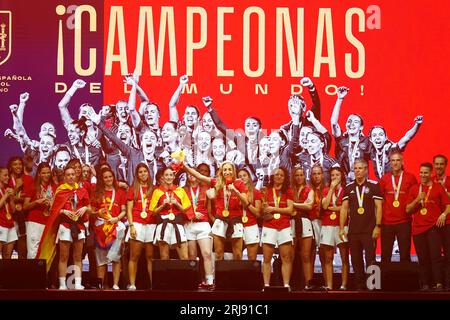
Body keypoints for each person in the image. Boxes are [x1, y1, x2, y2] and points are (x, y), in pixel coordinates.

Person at [184, 161, 248, 260]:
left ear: (234, 171)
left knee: (238, 254)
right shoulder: (217, 182)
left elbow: (245, 202)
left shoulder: (239, 183)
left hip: (235, 220)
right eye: (225, 170)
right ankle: (219, 275)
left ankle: (236, 275)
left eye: (230, 169)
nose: (227, 172)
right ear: (222, 172)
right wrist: (184, 166)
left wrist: (235, 191)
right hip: (220, 220)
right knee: (218, 253)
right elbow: (199, 176)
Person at [339, 158, 383, 290]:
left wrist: (378, 226)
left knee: (371, 259)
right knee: (356, 260)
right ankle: (360, 286)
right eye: (355, 169)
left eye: (360, 168)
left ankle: (373, 286)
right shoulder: (349, 187)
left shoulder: (374, 186)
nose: (357, 171)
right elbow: (344, 209)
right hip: (353, 231)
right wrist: (342, 228)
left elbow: (379, 207)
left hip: (369, 229)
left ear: (365, 170)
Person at [406, 162, 450, 291]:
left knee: (435, 257)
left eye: (426, 173)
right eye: (421, 172)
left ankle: (439, 283)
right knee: (423, 258)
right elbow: (407, 210)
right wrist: (417, 199)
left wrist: (443, 214)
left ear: (431, 174)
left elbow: (448, 205)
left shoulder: (438, 187)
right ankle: (425, 284)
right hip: (418, 228)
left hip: (433, 228)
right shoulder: (414, 189)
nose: (423, 175)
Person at [379, 151, 417, 262]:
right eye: (393, 160)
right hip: (387, 223)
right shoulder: (384, 179)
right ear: (390, 163)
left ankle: (405, 280)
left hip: (404, 222)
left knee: (405, 256)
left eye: (398, 160)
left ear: (402, 162)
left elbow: (416, 198)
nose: (395, 163)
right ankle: (384, 279)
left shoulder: (410, 178)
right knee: (385, 256)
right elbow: (379, 202)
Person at [92, 168, 127, 290]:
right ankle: (101, 285)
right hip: (101, 228)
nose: (108, 179)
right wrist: (98, 213)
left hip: (115, 227)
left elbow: (124, 210)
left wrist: (116, 219)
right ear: (102, 179)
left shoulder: (120, 192)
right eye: (105, 177)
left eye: (110, 176)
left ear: (114, 177)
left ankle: (115, 284)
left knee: (116, 257)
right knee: (101, 259)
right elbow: (92, 211)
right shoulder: (97, 192)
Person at [260, 167, 294, 289]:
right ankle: (266, 285)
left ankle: (286, 285)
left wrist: (273, 209)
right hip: (269, 226)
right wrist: (265, 208)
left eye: (282, 175)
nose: (279, 177)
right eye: (276, 174)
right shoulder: (266, 190)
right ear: (272, 176)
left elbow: (290, 210)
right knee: (267, 258)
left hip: (284, 226)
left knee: (286, 257)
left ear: (285, 178)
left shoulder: (288, 191)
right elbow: (263, 211)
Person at [150, 167, 194, 260]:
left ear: (174, 177)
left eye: (171, 175)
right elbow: (153, 212)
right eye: (166, 175)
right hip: (163, 224)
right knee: (164, 257)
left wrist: (177, 204)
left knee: (184, 257)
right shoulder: (157, 191)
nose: (169, 177)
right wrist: (162, 205)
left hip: (177, 223)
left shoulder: (180, 191)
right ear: (163, 177)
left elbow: (186, 211)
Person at [184, 164, 215, 289]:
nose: (192, 176)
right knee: (192, 256)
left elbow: (209, 209)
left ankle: (210, 281)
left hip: (203, 224)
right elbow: (180, 209)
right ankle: (194, 280)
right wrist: (191, 213)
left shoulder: (206, 188)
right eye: (189, 174)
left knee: (207, 254)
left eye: (194, 173)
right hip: (189, 224)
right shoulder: (182, 190)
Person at [125, 163, 156, 290]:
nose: (143, 174)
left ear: (148, 173)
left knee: (150, 257)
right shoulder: (133, 189)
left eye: (145, 171)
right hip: (137, 223)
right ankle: (132, 284)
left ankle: (153, 285)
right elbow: (129, 209)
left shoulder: (154, 189)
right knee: (134, 256)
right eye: (140, 172)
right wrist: (131, 225)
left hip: (151, 224)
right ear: (137, 175)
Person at [331, 87, 370, 182]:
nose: (351, 124)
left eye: (355, 122)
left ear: (361, 127)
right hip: (343, 182)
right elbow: (334, 122)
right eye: (349, 121)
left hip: (362, 183)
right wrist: (340, 99)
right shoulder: (341, 140)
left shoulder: (367, 141)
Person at [320, 167, 349, 290]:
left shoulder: (346, 190)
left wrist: (333, 208)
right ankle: (330, 285)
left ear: (341, 176)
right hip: (327, 225)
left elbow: (346, 209)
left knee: (344, 257)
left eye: (337, 175)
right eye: (332, 175)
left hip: (342, 225)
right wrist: (331, 189)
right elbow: (325, 205)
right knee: (328, 258)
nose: (335, 177)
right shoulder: (326, 190)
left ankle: (343, 285)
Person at [23, 162, 56, 259]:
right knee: (33, 251)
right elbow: (25, 206)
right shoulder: (33, 186)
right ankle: (33, 274)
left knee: (46, 251)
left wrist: (51, 204)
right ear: (39, 174)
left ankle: (44, 274)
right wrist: (37, 202)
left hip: (49, 223)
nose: (46, 175)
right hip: (35, 222)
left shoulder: (54, 187)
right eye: (43, 173)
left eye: (48, 173)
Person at [291, 167, 314, 289]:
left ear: (304, 176)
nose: (299, 177)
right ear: (293, 177)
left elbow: (309, 206)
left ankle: (308, 284)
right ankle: (288, 283)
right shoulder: (289, 190)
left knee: (306, 256)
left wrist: (293, 205)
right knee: (290, 256)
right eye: (297, 175)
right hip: (291, 223)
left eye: (301, 175)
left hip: (304, 222)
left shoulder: (309, 190)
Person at [432, 154, 450, 289]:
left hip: (448, 223)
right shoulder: (430, 181)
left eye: (441, 164)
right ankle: (438, 283)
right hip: (433, 225)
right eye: (436, 164)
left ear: (445, 165)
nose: (438, 166)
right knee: (435, 255)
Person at [237, 168, 262, 261]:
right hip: (237, 225)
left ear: (249, 177)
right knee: (237, 256)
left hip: (251, 225)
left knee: (252, 258)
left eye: (244, 175)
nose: (242, 178)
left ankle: (251, 276)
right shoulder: (235, 192)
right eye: (239, 177)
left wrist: (246, 203)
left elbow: (257, 213)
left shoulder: (256, 192)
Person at [0, 167, 17, 258]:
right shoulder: (5, 192)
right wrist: (6, 195)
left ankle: (6, 272)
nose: (7, 177)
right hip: (1, 224)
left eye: (8, 175)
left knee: (8, 256)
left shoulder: (7, 189)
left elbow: (14, 210)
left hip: (10, 224)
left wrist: (11, 198)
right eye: (5, 175)